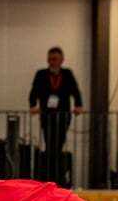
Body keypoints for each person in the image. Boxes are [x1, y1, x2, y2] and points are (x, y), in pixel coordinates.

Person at [26, 46, 82, 183]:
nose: (53, 61)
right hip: (47, 115)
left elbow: (75, 90)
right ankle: (50, 174)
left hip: (63, 115)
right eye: (50, 59)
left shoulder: (67, 73)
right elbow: (34, 91)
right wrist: (33, 106)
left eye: (55, 59)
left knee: (59, 143)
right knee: (50, 143)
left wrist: (78, 105)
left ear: (62, 60)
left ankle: (58, 174)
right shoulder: (41, 74)